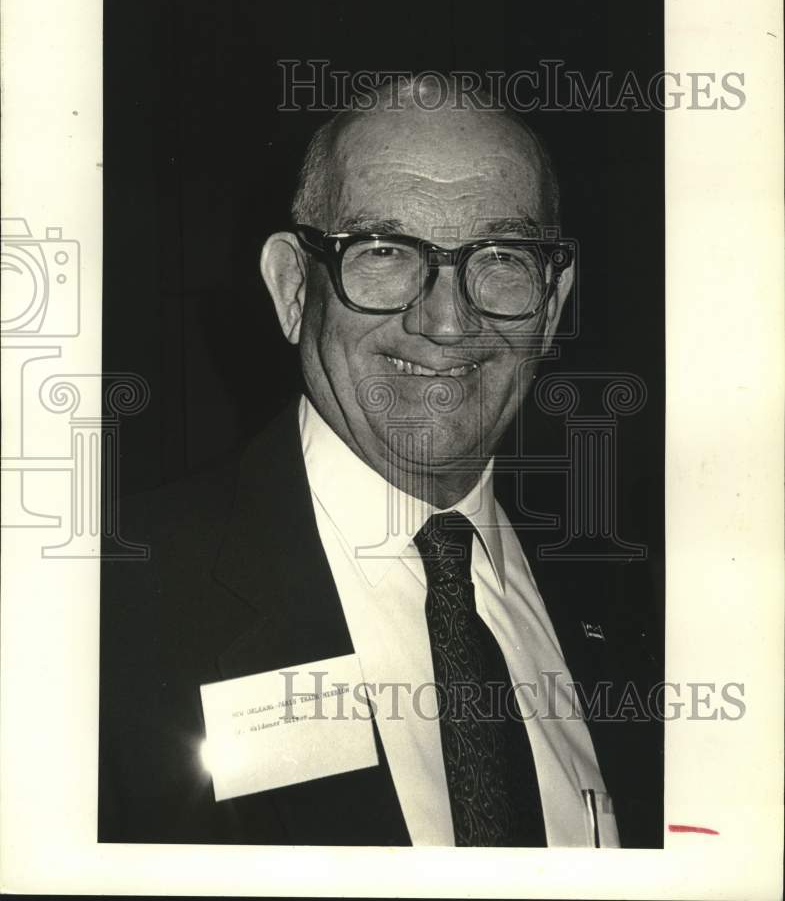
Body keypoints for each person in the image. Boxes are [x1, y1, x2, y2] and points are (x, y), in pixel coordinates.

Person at [99, 76, 662, 848]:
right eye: (385, 251)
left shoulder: (644, 607)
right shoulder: (101, 607)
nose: (444, 318)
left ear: (552, 301)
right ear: (293, 287)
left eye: (500, 255)